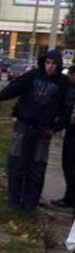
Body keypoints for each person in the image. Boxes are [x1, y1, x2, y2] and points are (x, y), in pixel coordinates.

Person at [0, 50, 68, 213]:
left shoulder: (63, 83)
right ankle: (14, 203)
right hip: (23, 127)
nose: (50, 67)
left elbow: (66, 109)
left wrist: (55, 128)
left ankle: (30, 206)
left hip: (43, 131)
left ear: (59, 65)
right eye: (48, 63)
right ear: (44, 62)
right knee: (17, 165)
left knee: (36, 169)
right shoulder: (33, 75)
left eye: (54, 64)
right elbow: (16, 87)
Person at [51, 66, 75, 209]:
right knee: (67, 166)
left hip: (73, 134)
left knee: (71, 167)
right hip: (70, 132)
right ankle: (69, 198)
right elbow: (66, 114)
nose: (70, 78)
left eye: (71, 75)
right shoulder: (69, 88)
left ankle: (69, 199)